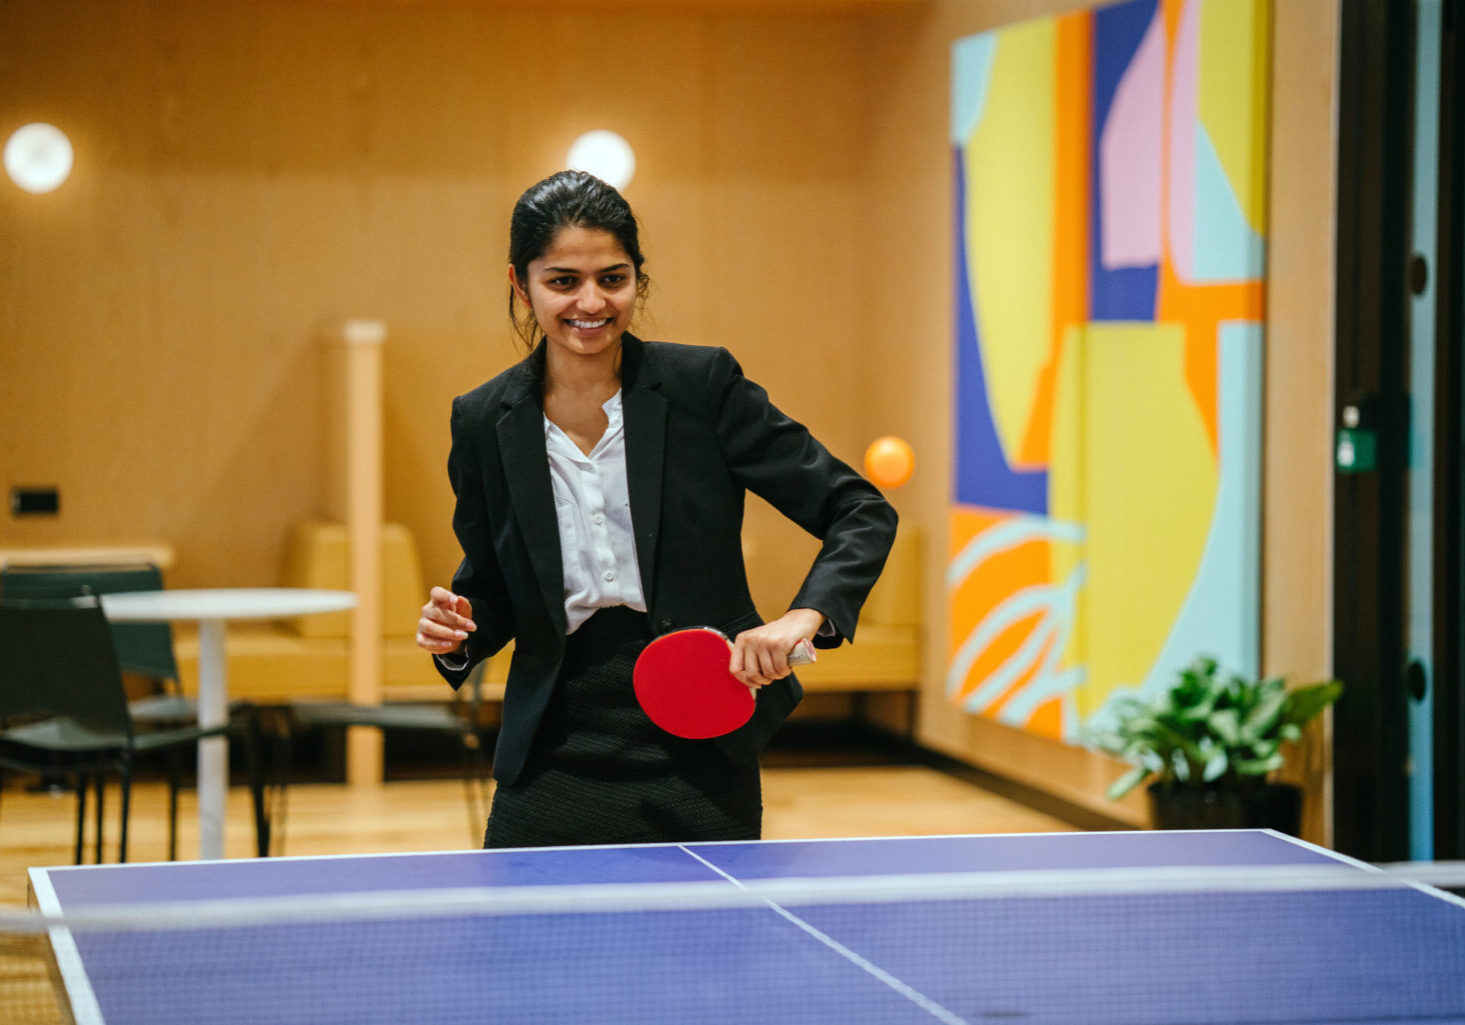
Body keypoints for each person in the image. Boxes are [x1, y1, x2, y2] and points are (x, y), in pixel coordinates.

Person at [416, 169, 897, 848]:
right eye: (563, 281)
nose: (591, 301)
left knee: (704, 952)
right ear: (520, 284)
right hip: (551, 749)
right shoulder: (482, 419)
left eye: (613, 278)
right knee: (526, 952)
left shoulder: (703, 388)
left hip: (699, 739)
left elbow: (859, 508)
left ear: (638, 279)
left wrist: (802, 619)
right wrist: (458, 629)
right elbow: (490, 590)